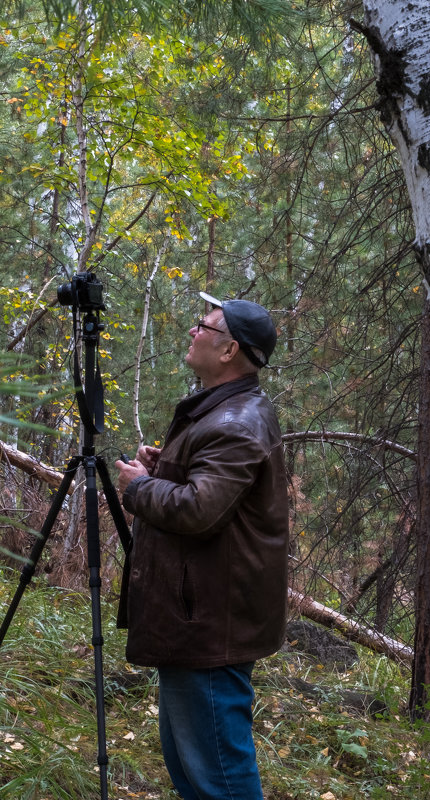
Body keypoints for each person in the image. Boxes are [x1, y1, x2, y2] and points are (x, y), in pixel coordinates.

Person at [114, 291, 289, 800]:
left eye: (204, 326)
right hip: (198, 614)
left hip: (210, 622)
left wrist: (138, 487)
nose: (193, 332)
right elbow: (211, 490)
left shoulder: (238, 423)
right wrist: (165, 465)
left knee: (218, 776)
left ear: (230, 349)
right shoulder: (224, 411)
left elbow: (198, 509)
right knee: (191, 767)